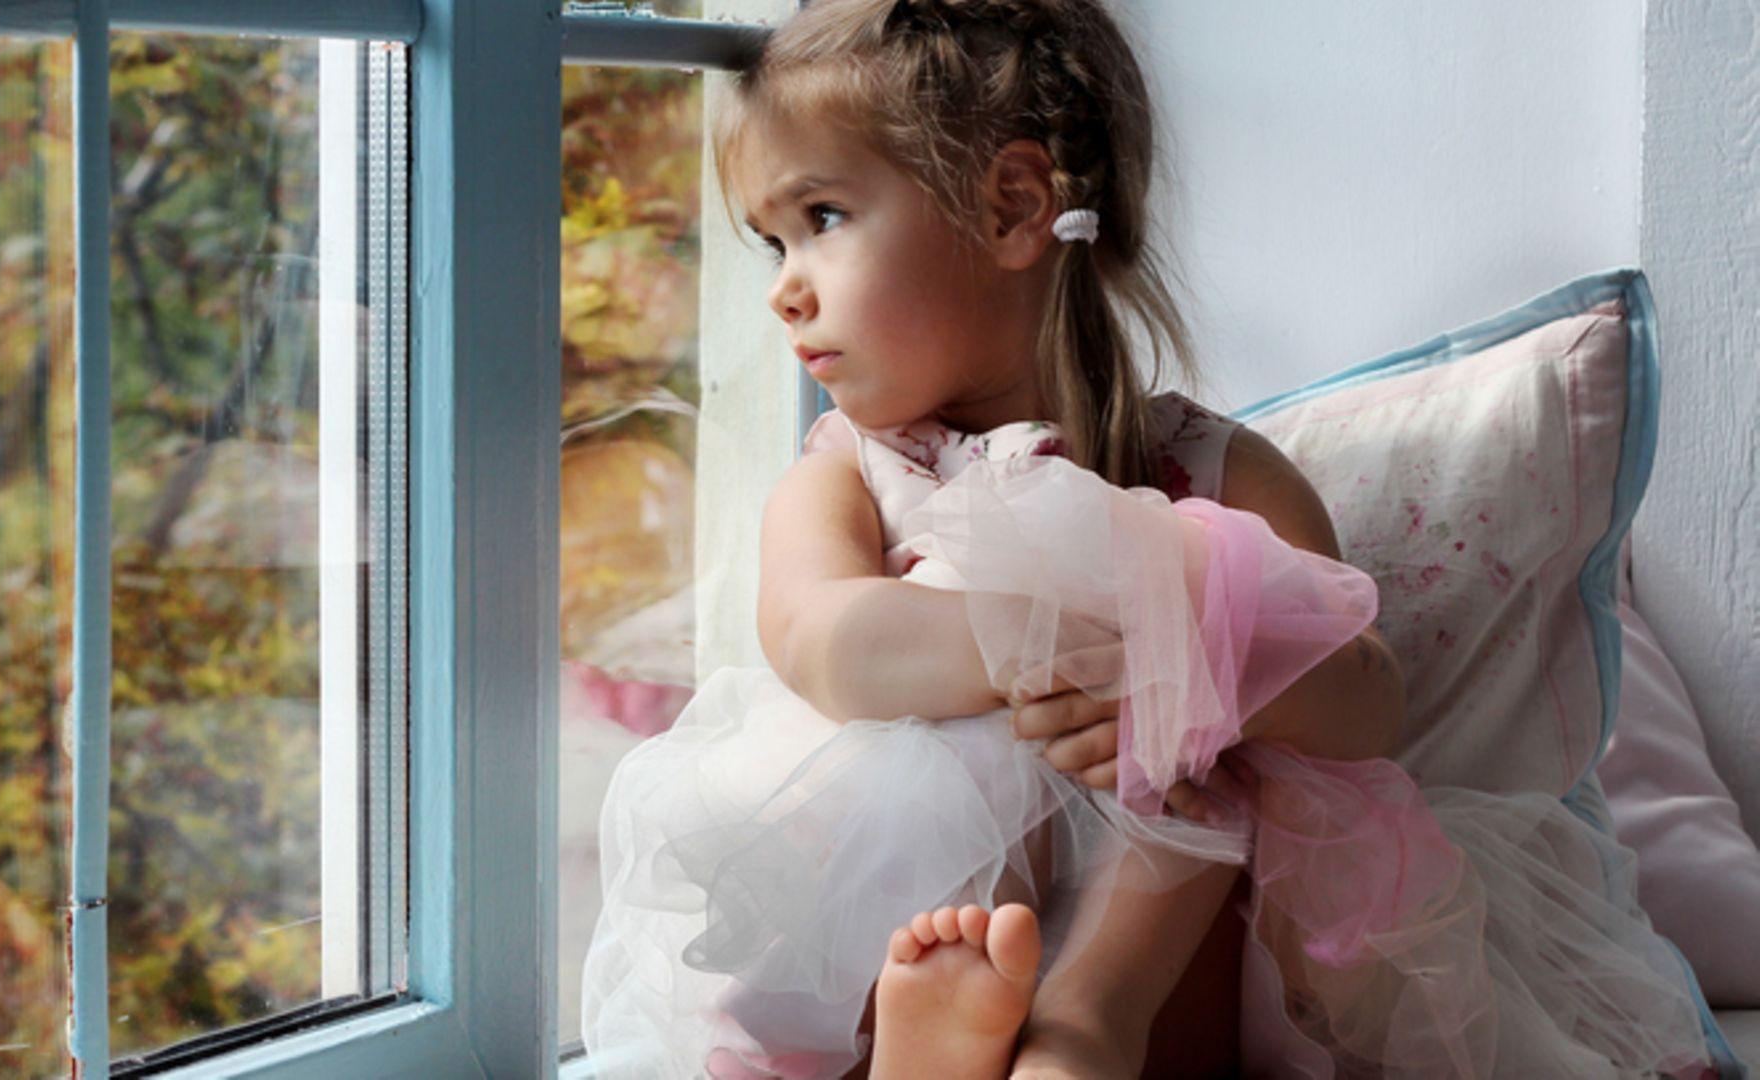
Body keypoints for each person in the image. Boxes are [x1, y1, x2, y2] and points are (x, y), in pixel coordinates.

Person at [581, 0, 1712, 1076]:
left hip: (1179, 975)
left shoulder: (1212, 474)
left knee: (1211, 751)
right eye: (769, 243)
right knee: (936, 799)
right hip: (907, 910)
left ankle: (1081, 1023)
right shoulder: (852, 473)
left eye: (820, 220)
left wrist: (1197, 666)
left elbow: (1369, 695)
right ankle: (932, 1039)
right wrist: (1057, 635)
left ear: (1015, 207)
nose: (784, 290)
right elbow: (825, 640)